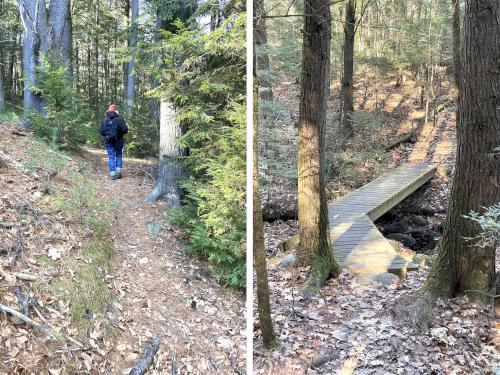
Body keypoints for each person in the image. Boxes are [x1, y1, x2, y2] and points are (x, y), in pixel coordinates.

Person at [99, 104, 128, 180]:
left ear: (109, 110)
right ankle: (118, 173)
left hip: (108, 141)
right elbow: (125, 130)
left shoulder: (105, 119)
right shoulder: (120, 119)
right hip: (119, 140)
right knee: (119, 155)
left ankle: (112, 174)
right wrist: (119, 133)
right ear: (116, 110)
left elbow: (101, 131)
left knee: (111, 157)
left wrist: (107, 135)